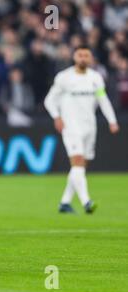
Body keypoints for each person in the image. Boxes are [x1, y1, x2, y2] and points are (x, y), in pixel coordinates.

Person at [44, 45, 119, 214]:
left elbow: (103, 99)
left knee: (81, 166)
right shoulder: (64, 77)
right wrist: (57, 116)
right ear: (74, 57)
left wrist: (112, 121)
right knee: (77, 162)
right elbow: (49, 100)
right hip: (71, 126)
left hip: (89, 126)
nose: (83, 58)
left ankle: (64, 203)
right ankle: (87, 202)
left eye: (86, 55)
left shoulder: (96, 78)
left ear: (91, 58)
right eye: (80, 55)